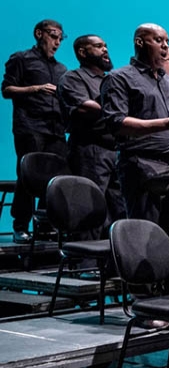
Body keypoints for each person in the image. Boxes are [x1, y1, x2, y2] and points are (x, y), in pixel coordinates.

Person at [100, 23, 169, 293]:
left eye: (167, 41)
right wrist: (165, 124)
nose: (165, 46)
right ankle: (145, 302)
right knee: (144, 236)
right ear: (140, 42)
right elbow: (116, 123)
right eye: (158, 40)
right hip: (141, 164)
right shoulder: (120, 78)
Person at [2, 19, 68, 243]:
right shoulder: (21, 58)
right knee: (28, 176)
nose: (57, 41)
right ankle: (20, 225)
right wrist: (35, 89)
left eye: (60, 38)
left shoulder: (62, 69)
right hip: (30, 126)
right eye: (53, 35)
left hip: (55, 128)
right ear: (39, 34)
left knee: (56, 177)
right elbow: (7, 89)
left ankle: (45, 224)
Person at [56, 34, 125, 231]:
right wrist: (121, 110)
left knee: (120, 211)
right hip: (90, 151)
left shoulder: (111, 80)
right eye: (98, 46)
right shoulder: (72, 78)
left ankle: (113, 259)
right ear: (82, 52)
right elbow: (88, 108)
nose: (105, 50)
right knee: (90, 210)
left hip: (116, 150)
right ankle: (86, 261)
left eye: (105, 45)